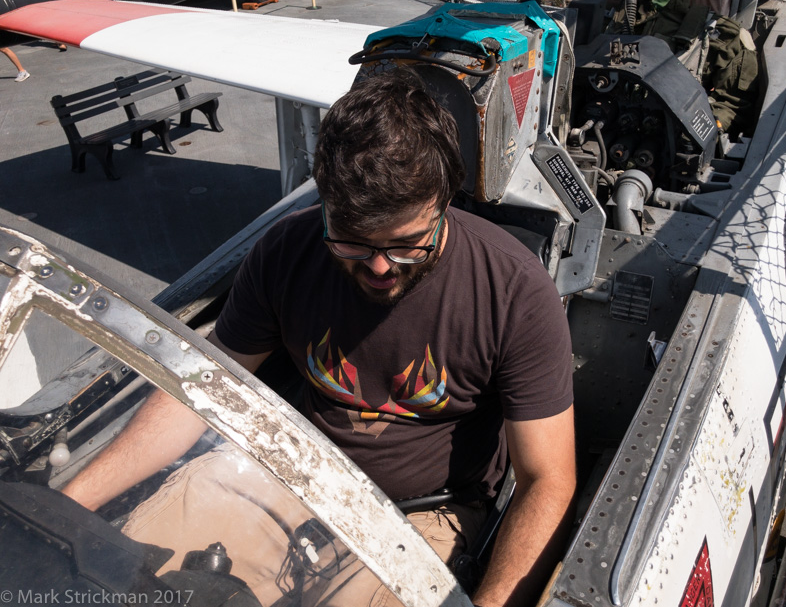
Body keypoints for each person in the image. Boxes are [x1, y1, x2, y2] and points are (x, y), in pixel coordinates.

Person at [61, 66, 577, 607]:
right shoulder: (285, 251)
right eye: (352, 241)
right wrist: (68, 507)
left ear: (444, 204)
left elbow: (547, 479)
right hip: (294, 472)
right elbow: (199, 393)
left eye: (406, 245)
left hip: (426, 514)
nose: (380, 267)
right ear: (325, 203)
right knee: (113, 583)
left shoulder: (514, 291)